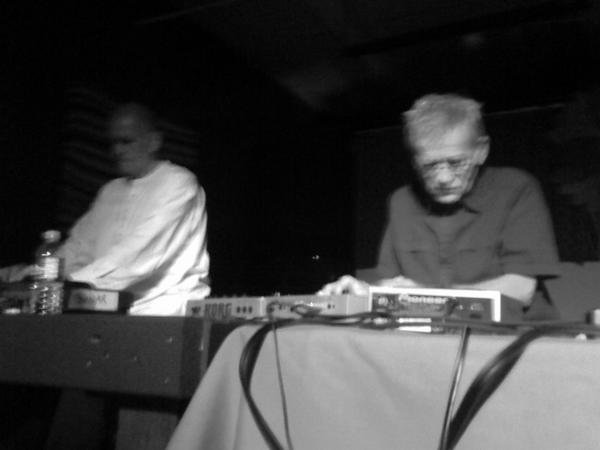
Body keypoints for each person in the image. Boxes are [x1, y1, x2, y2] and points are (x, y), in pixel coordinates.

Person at [320, 93, 560, 317]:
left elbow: (520, 290)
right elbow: (393, 285)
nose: (443, 178)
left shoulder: (516, 188)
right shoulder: (401, 202)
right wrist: (364, 293)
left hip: (515, 335)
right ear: (415, 161)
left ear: (481, 150)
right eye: (430, 165)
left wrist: (423, 295)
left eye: (456, 163)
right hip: (429, 335)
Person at [1, 102, 210, 316]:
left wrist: (71, 282)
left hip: (164, 312)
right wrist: (34, 276)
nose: (117, 150)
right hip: (108, 310)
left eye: (126, 141)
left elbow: (141, 253)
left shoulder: (178, 183)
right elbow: (78, 247)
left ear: (154, 141)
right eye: (113, 142)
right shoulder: (110, 191)